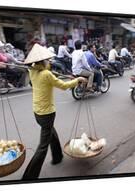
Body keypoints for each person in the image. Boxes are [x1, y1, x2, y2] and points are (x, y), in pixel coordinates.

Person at [22, 43, 87, 180]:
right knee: (42, 146)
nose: (49, 61)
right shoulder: (46, 74)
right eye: (47, 60)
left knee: (51, 132)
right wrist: (78, 80)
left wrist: (47, 67)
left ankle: (57, 156)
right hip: (47, 113)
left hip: (37, 113)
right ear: (42, 61)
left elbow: (32, 67)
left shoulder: (33, 71)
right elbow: (63, 86)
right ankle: (29, 177)